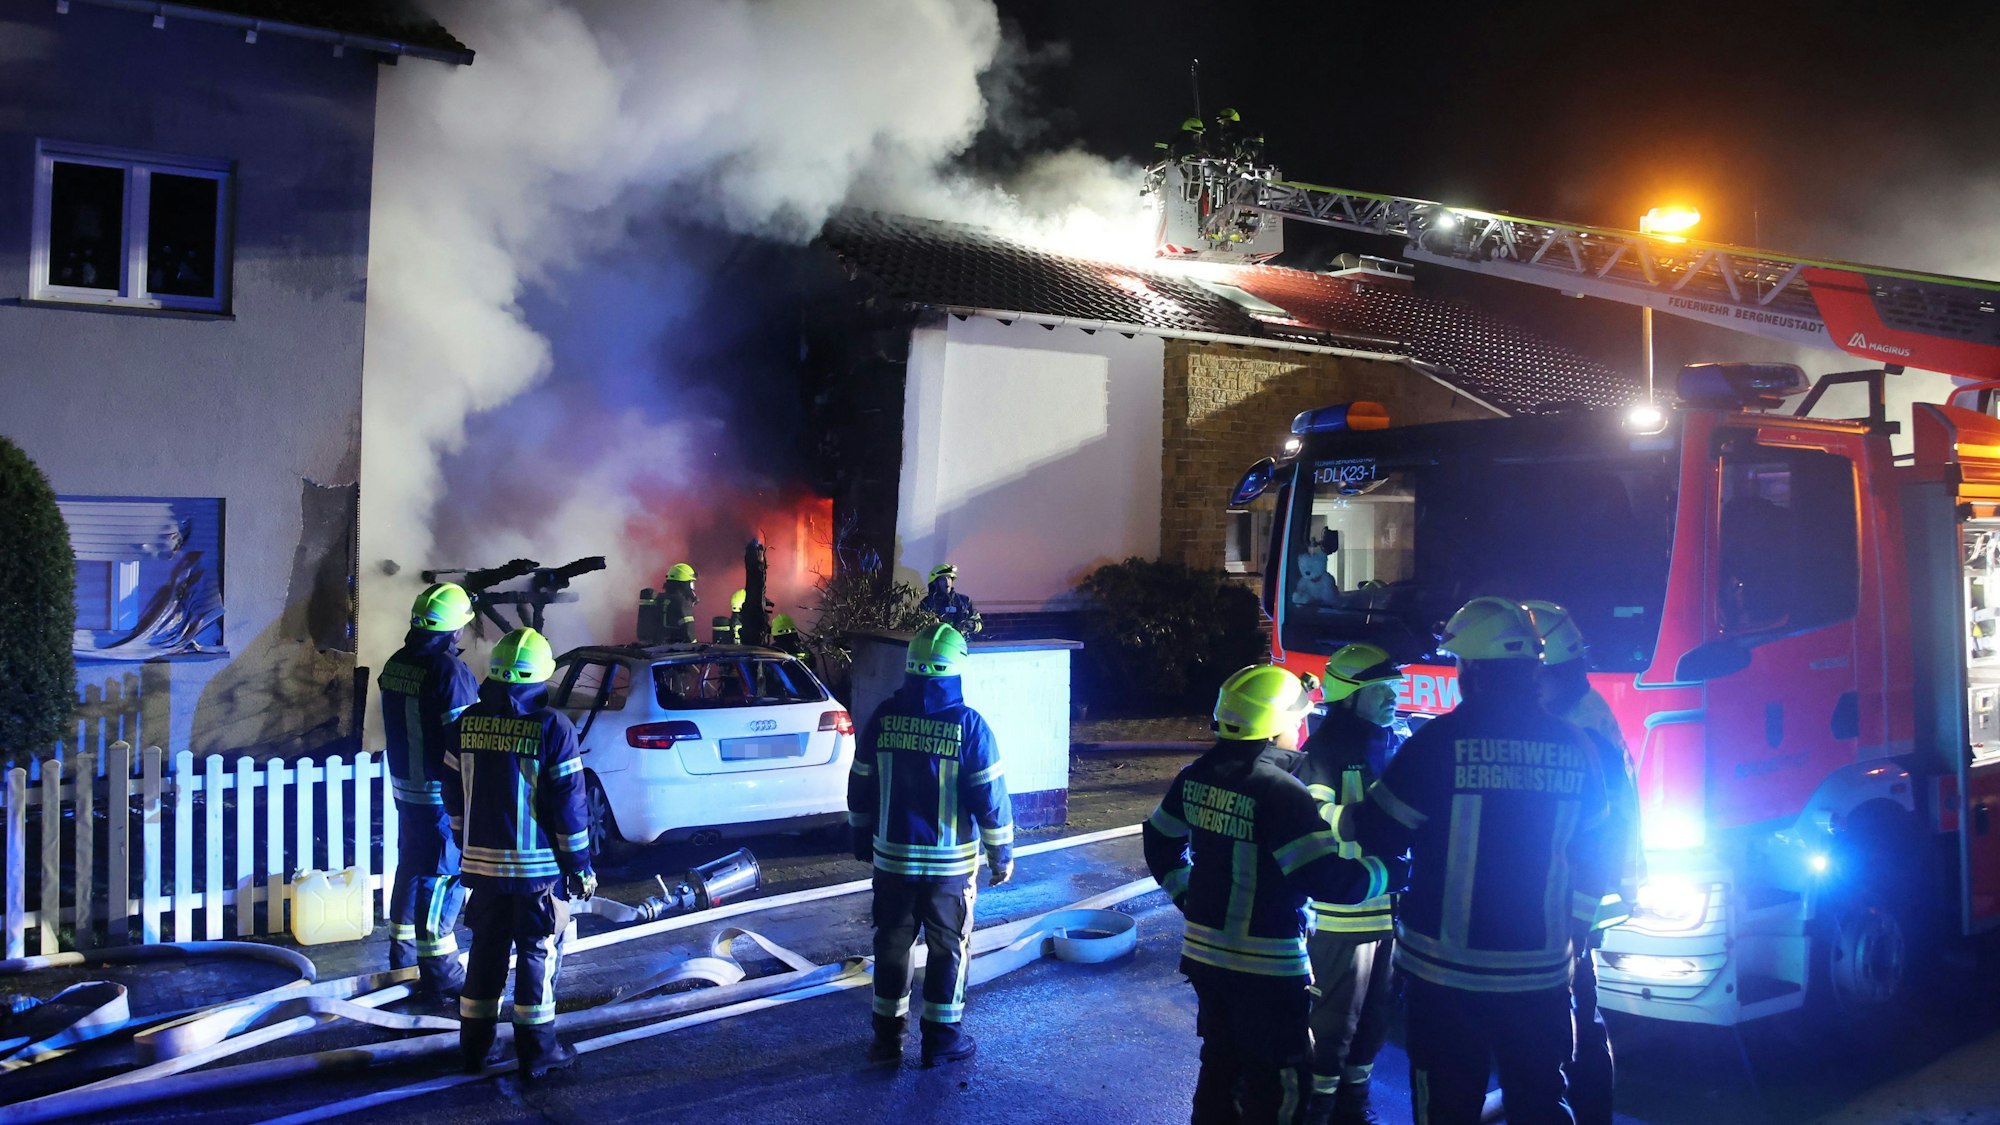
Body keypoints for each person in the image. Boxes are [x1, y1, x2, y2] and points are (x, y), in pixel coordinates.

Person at [1344, 597, 1620, 1125]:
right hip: (1540, 974)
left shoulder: (1437, 742)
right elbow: (1599, 850)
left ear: (1469, 669)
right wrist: (1576, 929)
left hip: (1445, 976)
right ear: (1532, 669)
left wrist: (1349, 816)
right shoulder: (1578, 746)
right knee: (1540, 1102)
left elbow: (1379, 831)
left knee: (1446, 1108)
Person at [1145, 664, 1394, 1125]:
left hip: (1205, 958)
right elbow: (1324, 878)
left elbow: (1160, 841)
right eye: (1299, 718)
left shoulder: (1196, 774)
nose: (1303, 727)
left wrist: (1189, 897)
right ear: (1277, 724)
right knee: (1279, 1080)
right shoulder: (1281, 791)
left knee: (1220, 1064)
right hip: (1267, 965)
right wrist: (1385, 873)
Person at [847, 623, 1013, 1068]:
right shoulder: (970, 726)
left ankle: (886, 1040)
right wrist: (1002, 854)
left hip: (892, 863)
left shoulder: (882, 717)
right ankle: (941, 1040)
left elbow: (860, 783)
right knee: (948, 948)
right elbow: (990, 798)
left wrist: (861, 835)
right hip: (950, 870)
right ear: (956, 670)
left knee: (891, 945)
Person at [443, 627, 595, 1080]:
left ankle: (473, 1049)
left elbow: (452, 793)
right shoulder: (553, 727)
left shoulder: (465, 723)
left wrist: (462, 840)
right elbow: (570, 804)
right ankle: (538, 1052)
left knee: (486, 954)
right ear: (540, 675)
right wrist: (580, 867)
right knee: (535, 954)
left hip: (481, 868)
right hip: (537, 874)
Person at [1522, 601, 1641, 1125]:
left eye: (1534, 676)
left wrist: (1578, 919)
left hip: (1577, 901)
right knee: (1573, 1020)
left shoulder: (1582, 731)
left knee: (1576, 1024)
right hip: (1577, 896)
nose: (1530, 687)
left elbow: (1601, 836)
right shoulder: (1579, 715)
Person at [1294, 644, 1407, 1125]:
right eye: (1378, 690)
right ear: (1347, 695)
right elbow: (1313, 816)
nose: (1391, 699)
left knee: (1377, 1018)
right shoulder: (1323, 751)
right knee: (1336, 1021)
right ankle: (1318, 1108)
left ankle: (1353, 1105)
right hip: (1343, 914)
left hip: (1391, 909)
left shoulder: (1397, 742)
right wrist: (1369, 822)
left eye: (1393, 689)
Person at [378, 582, 481, 1003]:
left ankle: (402, 962)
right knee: (443, 876)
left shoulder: (397, 662)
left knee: (412, 870)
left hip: (405, 789)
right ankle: (441, 973)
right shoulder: (450, 673)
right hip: (440, 793)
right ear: (454, 630)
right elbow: (464, 741)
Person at [919, 563, 982, 637]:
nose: (947, 581)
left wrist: (972, 625)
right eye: (943, 579)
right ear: (935, 583)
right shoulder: (927, 602)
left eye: (949, 578)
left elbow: (979, 623)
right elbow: (919, 626)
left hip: (958, 644)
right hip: (935, 645)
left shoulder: (964, 601)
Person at [658, 562, 698, 643]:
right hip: (677, 650)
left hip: (657, 649)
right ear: (685, 584)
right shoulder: (682, 603)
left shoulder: (660, 598)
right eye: (691, 583)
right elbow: (689, 634)